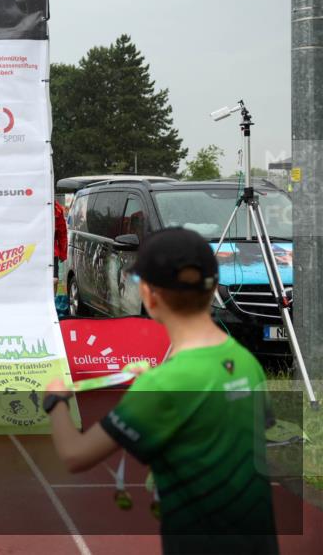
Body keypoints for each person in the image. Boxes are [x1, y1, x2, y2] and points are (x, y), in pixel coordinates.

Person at [43, 228, 277, 554]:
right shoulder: (245, 361)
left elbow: (75, 455)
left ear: (150, 295)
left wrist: (55, 399)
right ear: (210, 291)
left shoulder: (162, 386)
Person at [54, 200, 68, 294]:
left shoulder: (56, 207)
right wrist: (62, 254)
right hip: (51, 251)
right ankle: (52, 302)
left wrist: (63, 254)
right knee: (53, 279)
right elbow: (62, 233)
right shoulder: (56, 207)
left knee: (53, 279)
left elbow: (62, 233)